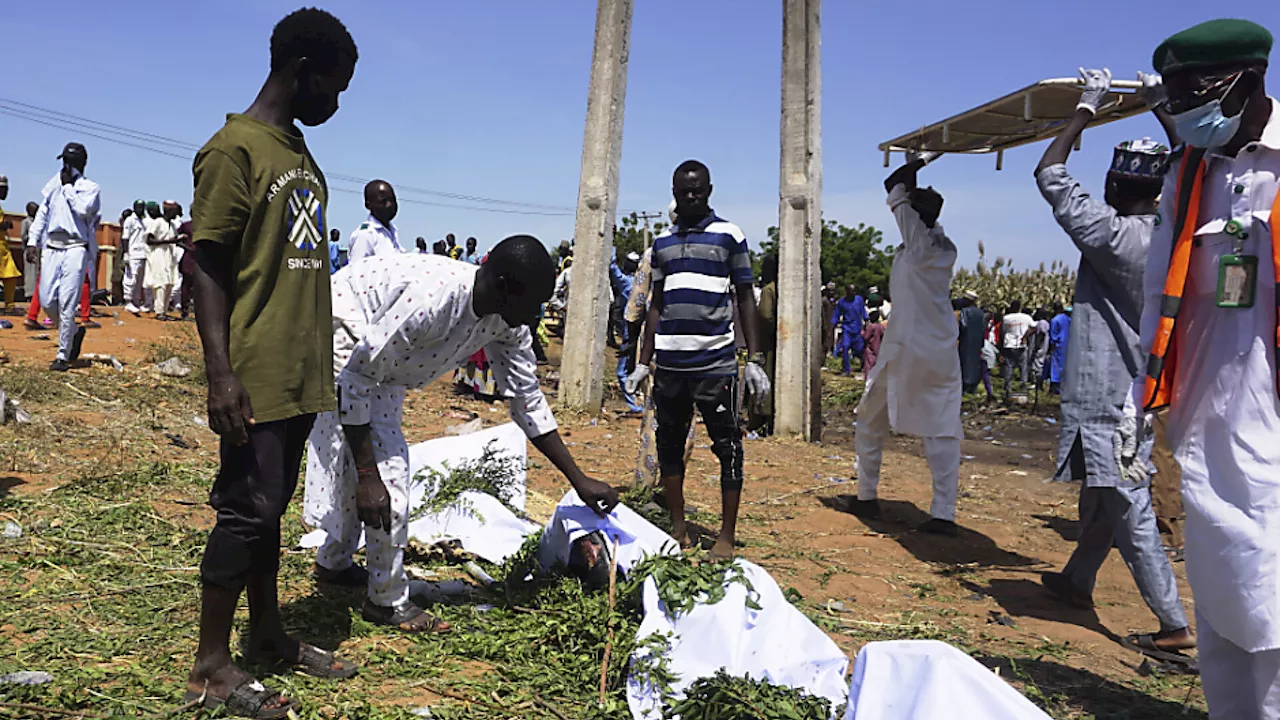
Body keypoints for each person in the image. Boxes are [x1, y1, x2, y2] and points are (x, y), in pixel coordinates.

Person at [303, 239, 620, 628]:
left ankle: (334, 563)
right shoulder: (433, 300)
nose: (535, 313)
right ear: (504, 286)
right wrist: (369, 476)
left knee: (368, 464)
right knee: (383, 477)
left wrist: (578, 478)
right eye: (532, 301)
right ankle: (385, 601)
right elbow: (356, 377)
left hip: (379, 363)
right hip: (347, 326)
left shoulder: (507, 321)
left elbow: (527, 400)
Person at [186, 9, 358, 717]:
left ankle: (268, 637)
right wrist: (221, 372)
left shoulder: (296, 154)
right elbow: (205, 263)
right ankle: (209, 667)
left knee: (272, 510)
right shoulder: (236, 150)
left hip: (298, 373)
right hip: (254, 370)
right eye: (335, 87)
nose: (337, 103)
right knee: (244, 511)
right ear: (302, 71)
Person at [1137, 20, 1280, 718]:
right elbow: (1156, 296)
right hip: (1203, 427)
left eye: (1189, 92)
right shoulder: (1191, 174)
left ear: (1243, 79)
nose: (1181, 108)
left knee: (1274, 614)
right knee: (1224, 609)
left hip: (1272, 428)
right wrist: (1143, 405)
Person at [1032, 67, 1194, 662]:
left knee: (1128, 505)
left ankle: (1173, 623)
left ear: (1113, 184)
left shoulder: (1111, 236)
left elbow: (1049, 172)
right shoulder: (1172, 233)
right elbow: (1193, 167)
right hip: (1139, 390)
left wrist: (1085, 109)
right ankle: (1077, 580)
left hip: (1109, 396)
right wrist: (1158, 105)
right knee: (1102, 498)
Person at [627, 159, 769, 559]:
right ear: (674, 194)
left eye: (698, 190)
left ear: (709, 190)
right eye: (683, 191)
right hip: (670, 366)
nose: (691, 196)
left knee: (728, 446)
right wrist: (644, 360)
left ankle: (725, 536)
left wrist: (753, 358)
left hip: (716, 364)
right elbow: (657, 304)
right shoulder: (662, 245)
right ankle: (678, 529)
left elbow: (744, 296)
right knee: (669, 445)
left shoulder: (730, 236)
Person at [849, 155, 962, 536]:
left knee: (871, 420)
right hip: (936, 349)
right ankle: (943, 513)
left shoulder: (919, 249)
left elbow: (894, 186)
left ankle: (867, 495)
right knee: (941, 428)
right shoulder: (940, 247)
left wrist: (919, 157)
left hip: (907, 350)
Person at [25, 143, 99, 372]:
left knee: (68, 302)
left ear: (81, 164)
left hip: (76, 247)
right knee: (47, 301)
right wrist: (32, 242)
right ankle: (74, 333)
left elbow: (83, 211)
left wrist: (68, 188)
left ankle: (62, 354)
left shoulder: (90, 188)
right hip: (52, 246)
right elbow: (42, 215)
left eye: (70, 162)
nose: (65, 166)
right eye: (64, 161)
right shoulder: (52, 184)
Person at [747, 253, 778, 435]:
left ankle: (761, 418)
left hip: (767, 344)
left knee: (764, 378)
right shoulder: (782, 289)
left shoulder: (769, 290)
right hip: (776, 342)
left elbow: (765, 315)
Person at [610, 250, 643, 413]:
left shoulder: (626, 283)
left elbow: (611, 266)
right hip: (645, 332)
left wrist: (612, 243)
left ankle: (635, 405)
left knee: (622, 371)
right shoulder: (644, 284)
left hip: (630, 332)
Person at [347, 180, 401, 261]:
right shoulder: (365, 235)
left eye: (392, 200)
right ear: (368, 205)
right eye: (384, 201)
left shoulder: (393, 232)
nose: (390, 205)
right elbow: (357, 270)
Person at [144, 201, 179, 320]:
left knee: (169, 283)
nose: (177, 214)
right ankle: (159, 311)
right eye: (175, 211)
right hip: (158, 254)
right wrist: (169, 241)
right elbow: (149, 240)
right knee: (160, 283)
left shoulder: (173, 225)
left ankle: (164, 311)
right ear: (169, 211)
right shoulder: (157, 223)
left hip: (169, 255)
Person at [999, 300, 1034, 401]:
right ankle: (1023, 385)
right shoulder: (1026, 317)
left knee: (1009, 366)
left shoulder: (1006, 318)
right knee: (1023, 366)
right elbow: (1034, 327)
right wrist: (1025, 336)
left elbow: (1003, 331)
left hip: (1009, 345)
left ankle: (1008, 386)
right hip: (1021, 345)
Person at [832, 284, 868, 375]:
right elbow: (836, 315)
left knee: (860, 349)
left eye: (855, 290)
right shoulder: (841, 302)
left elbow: (863, 311)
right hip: (847, 329)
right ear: (847, 291)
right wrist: (833, 324)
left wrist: (866, 320)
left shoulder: (859, 300)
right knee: (845, 347)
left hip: (857, 329)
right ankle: (846, 369)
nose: (854, 292)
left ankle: (864, 365)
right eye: (852, 290)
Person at [122, 199, 149, 314]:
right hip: (133, 253)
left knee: (140, 279)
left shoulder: (145, 221)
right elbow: (125, 238)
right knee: (131, 278)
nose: (141, 209)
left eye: (142, 207)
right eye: (139, 207)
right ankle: (128, 301)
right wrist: (126, 253)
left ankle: (136, 301)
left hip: (144, 253)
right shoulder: (130, 220)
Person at [956, 290, 984, 393]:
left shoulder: (964, 312)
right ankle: (973, 386)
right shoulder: (980, 313)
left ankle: (965, 385)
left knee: (964, 362)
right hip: (977, 342)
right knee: (975, 363)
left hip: (966, 341)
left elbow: (963, 326)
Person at [0, 176, 20, 314]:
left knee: (10, 275)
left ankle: (9, 305)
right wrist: (4, 225)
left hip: (2, 245)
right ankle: (9, 305)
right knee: (9, 274)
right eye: (4, 189)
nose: (6, 193)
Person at [1047, 303, 1071, 394]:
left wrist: (1051, 347)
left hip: (1058, 346)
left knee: (1056, 366)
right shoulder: (1069, 319)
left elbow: (1053, 336)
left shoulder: (1055, 320)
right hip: (1068, 344)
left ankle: (1055, 387)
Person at [176, 214, 196, 319]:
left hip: (203, 259)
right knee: (186, 286)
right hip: (189, 258)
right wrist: (187, 247)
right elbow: (176, 239)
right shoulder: (186, 225)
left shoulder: (205, 226)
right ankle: (185, 311)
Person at [861, 309, 885, 382]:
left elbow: (866, 337)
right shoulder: (880, 326)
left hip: (870, 348)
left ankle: (868, 381)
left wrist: (862, 332)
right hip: (878, 348)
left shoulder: (871, 327)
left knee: (868, 365)